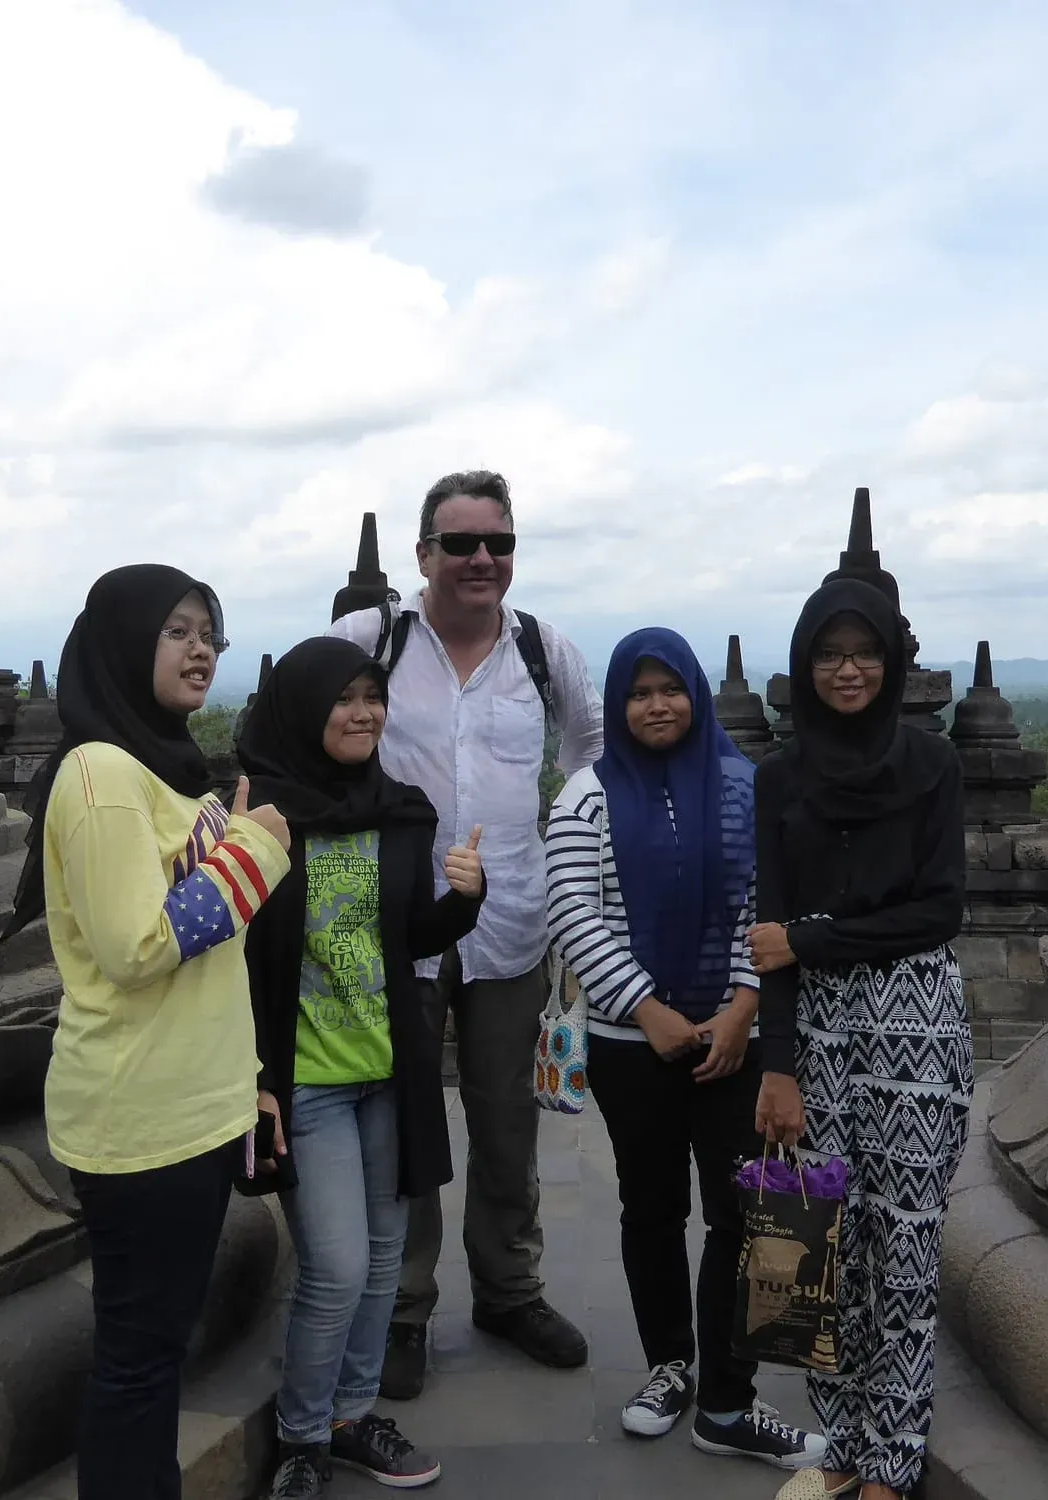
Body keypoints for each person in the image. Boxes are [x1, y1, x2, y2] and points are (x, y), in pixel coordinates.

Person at [1, 565, 294, 1500]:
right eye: (176, 630)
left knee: (160, 1349)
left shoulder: (166, 769)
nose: (201, 647)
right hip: (141, 1118)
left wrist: (247, 1080)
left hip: (194, 1107)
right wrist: (257, 848)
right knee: (139, 1358)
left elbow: (216, 963)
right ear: (125, 643)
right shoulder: (100, 773)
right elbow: (138, 946)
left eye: (210, 631)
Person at [327, 470, 603, 1397]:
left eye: (499, 542)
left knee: (506, 1122)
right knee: (403, 1124)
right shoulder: (374, 640)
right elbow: (299, 723)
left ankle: (508, 1289)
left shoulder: (542, 651)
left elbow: (594, 756)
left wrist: (564, 856)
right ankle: (403, 1308)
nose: (482, 559)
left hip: (512, 926)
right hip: (394, 929)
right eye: (461, 543)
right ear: (423, 556)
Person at [545, 628, 827, 1471]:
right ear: (618, 705)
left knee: (741, 1211)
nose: (657, 705)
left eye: (671, 690)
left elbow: (763, 901)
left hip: (733, 1039)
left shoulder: (742, 788)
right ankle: (670, 1365)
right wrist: (648, 1009)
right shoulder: (585, 796)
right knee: (651, 1207)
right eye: (639, 692)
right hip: (634, 1049)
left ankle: (729, 1401)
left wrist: (742, 1007)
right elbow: (572, 912)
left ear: (696, 696)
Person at [235, 638, 488, 1498]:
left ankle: (348, 1415)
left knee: (384, 1262)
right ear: (305, 708)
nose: (362, 713)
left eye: (373, 697)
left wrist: (464, 902)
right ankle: (301, 1432)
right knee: (337, 1266)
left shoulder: (401, 812)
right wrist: (253, 1076)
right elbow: (234, 954)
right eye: (343, 698)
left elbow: (407, 938)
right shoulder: (261, 818)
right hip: (304, 1077)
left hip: (388, 1066)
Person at [748, 579, 973, 1500]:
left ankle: (894, 1458)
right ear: (806, 665)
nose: (849, 670)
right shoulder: (779, 777)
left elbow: (939, 910)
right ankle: (840, 1447)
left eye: (865, 653)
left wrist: (813, 937)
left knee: (906, 1248)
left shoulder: (931, 764)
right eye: (831, 654)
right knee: (815, 1242)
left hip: (916, 1020)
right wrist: (778, 1065)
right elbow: (767, 933)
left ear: (892, 664)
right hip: (817, 1030)